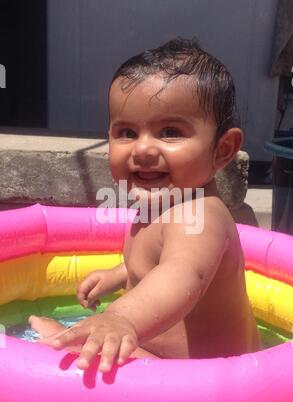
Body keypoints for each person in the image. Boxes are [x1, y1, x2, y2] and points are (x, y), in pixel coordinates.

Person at [29, 38, 260, 373]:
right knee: (74, 352)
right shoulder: (161, 204)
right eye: (126, 132)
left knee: (60, 362)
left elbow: (183, 273)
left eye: (169, 131)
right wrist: (117, 274)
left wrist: (120, 317)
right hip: (160, 360)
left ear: (223, 150)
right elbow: (159, 263)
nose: (143, 149)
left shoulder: (199, 215)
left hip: (206, 378)